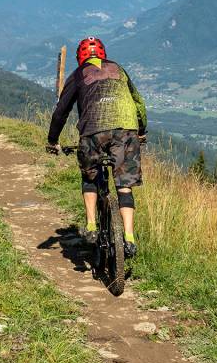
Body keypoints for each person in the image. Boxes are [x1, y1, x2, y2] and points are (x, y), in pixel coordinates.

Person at [46, 36, 147, 258]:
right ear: (103, 53)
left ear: (80, 57)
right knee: (125, 186)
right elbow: (138, 102)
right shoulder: (118, 69)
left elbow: (61, 112)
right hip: (126, 131)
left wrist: (52, 140)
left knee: (90, 176)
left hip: (93, 131)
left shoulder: (78, 74)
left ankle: (91, 226)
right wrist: (141, 130)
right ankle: (129, 238)